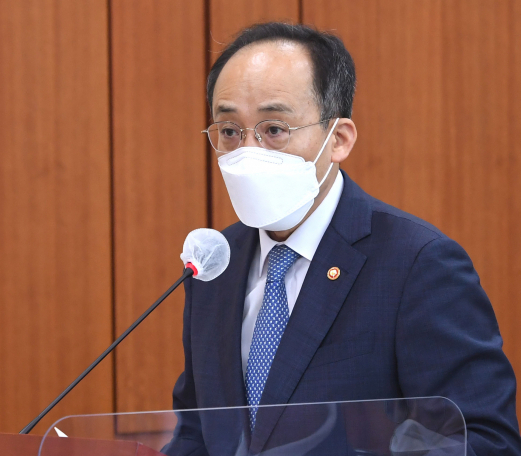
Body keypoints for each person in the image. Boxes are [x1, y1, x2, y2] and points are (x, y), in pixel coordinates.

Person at [163, 22, 521, 455]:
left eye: (274, 129)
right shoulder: (214, 265)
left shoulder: (418, 264)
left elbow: (484, 440)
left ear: (338, 140)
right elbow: (197, 432)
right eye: (229, 131)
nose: (248, 150)